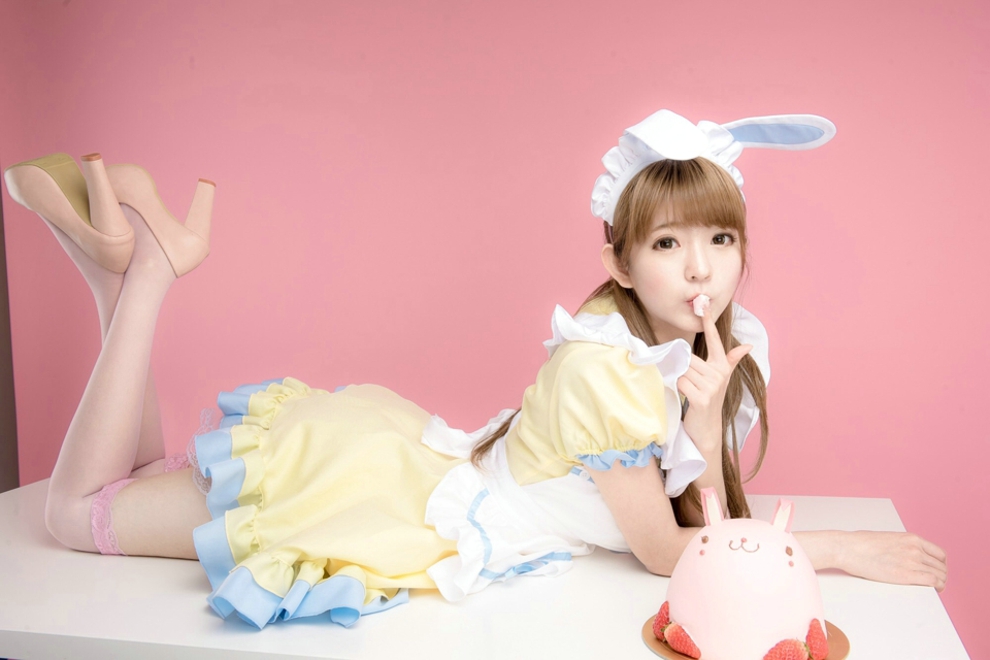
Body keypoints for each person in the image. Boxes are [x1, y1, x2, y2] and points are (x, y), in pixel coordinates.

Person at [2, 110, 947, 630]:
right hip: (384, 499)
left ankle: (108, 272)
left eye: (720, 238)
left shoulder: (709, 353)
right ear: (620, 262)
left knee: (130, 484)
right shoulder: (605, 371)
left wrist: (705, 429)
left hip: (405, 470)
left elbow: (700, 519)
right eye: (668, 242)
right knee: (74, 517)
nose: (700, 268)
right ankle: (147, 275)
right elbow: (668, 553)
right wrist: (834, 549)